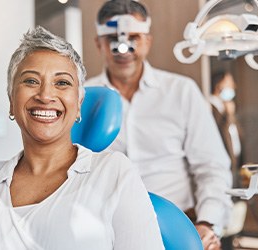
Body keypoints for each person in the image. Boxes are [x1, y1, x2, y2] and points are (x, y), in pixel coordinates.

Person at [0, 26, 164, 250]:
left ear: (79, 105)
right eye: (31, 81)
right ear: (12, 101)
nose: (45, 95)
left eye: (62, 82)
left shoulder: (114, 172)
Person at [84, 0, 233, 249]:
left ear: (148, 41)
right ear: (98, 43)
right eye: (112, 38)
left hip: (180, 226)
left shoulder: (181, 91)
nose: (124, 48)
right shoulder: (83, 98)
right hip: (107, 230)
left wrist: (208, 222)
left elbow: (212, 166)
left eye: (134, 37)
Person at [210, 71, 243, 188]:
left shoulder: (227, 107)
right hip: (220, 165)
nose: (234, 86)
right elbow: (218, 133)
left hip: (233, 163)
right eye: (229, 83)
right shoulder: (210, 108)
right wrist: (228, 115)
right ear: (218, 85)